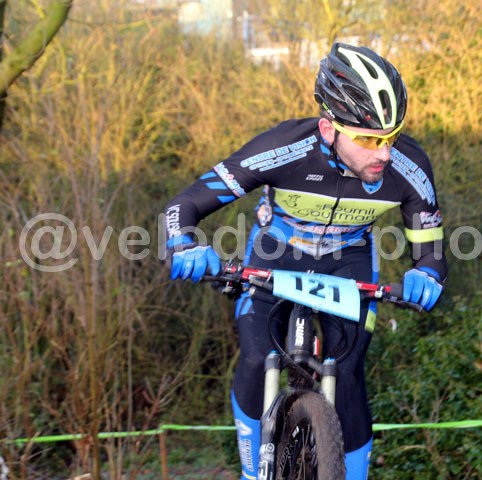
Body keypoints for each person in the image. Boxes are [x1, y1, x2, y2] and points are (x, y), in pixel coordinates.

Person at [163, 42, 447, 480]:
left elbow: (430, 248)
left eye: (391, 138)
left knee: (347, 373)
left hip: (349, 260)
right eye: (369, 140)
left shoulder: (410, 167)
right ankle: (252, 471)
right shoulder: (283, 148)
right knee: (257, 358)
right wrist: (183, 244)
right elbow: (184, 205)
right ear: (329, 129)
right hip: (277, 255)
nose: (384, 154)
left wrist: (426, 274)